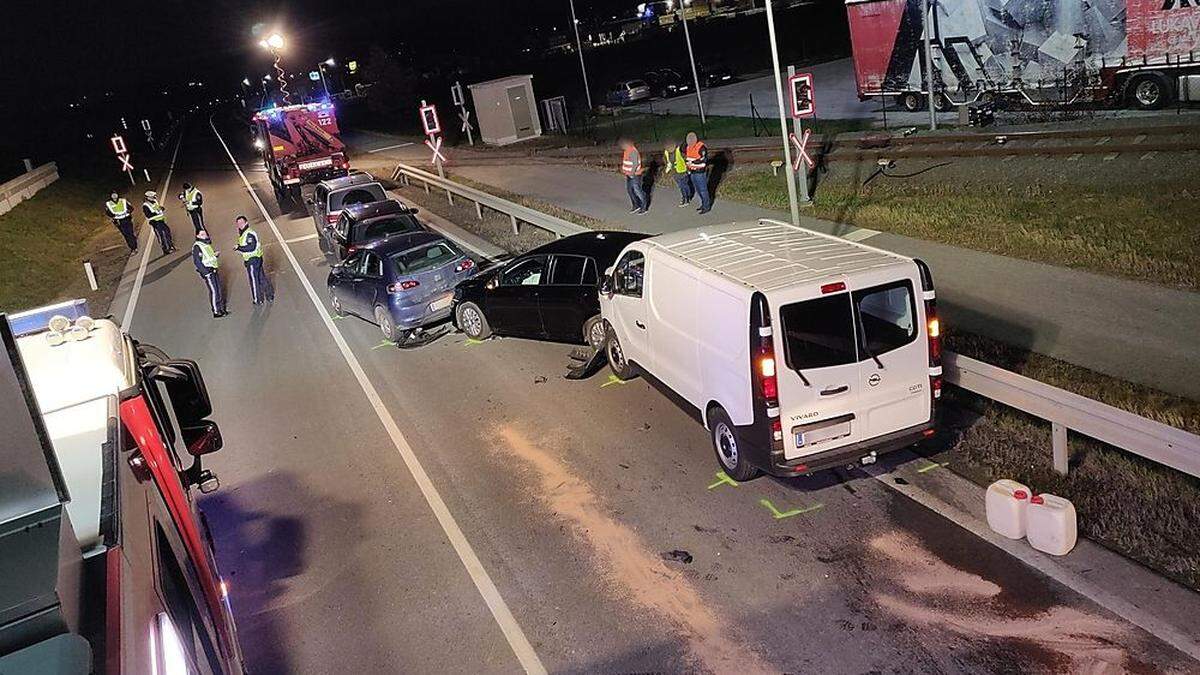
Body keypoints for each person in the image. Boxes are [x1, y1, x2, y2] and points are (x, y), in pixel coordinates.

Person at [233, 216, 272, 305]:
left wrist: (239, 247)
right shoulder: (246, 233)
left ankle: (257, 299)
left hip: (252, 260)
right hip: (257, 258)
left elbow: (251, 247)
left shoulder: (248, 234)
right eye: (238, 223)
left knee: (254, 280)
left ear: (246, 223)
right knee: (261, 277)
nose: (240, 225)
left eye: (241, 223)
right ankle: (269, 295)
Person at [191, 230, 227, 318]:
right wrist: (206, 273)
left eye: (205, 234)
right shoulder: (197, 246)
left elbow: (207, 257)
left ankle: (221, 308)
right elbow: (197, 262)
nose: (205, 235)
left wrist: (214, 255)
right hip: (208, 272)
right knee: (214, 291)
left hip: (214, 270)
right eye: (202, 234)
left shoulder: (206, 244)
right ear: (198, 236)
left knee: (218, 289)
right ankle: (216, 311)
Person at [685, 131, 713, 214]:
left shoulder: (701, 147)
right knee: (698, 190)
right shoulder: (688, 147)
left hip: (700, 172)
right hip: (692, 172)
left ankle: (706, 206)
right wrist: (688, 163)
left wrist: (692, 162)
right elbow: (688, 157)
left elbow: (703, 162)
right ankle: (703, 204)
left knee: (703, 190)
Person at [619, 139, 648, 215]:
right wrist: (624, 169)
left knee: (637, 191)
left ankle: (644, 207)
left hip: (635, 175)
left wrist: (631, 173)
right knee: (630, 190)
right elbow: (627, 161)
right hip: (629, 174)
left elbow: (635, 164)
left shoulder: (633, 151)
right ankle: (636, 205)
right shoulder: (627, 150)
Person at [663, 140, 692, 207]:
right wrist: (668, 168)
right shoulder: (666, 152)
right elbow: (669, 162)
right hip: (675, 172)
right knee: (681, 186)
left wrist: (688, 169)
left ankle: (686, 199)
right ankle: (687, 197)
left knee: (683, 186)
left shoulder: (679, 151)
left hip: (682, 171)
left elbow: (686, 159)